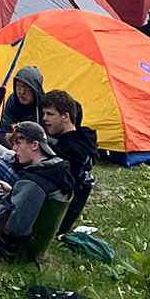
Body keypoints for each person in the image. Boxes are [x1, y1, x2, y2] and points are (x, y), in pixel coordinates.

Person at [0, 121, 75, 259]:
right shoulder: (57, 170)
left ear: (35, 145)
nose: (14, 149)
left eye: (18, 143)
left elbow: (13, 227)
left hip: (15, 249)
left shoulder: (34, 183)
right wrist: (12, 193)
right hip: (34, 244)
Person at [41, 90, 99, 231]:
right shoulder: (82, 141)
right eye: (44, 114)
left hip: (57, 219)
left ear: (65, 116)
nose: (44, 118)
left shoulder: (70, 151)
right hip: (64, 214)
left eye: (50, 114)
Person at [0, 65, 44, 145]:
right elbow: (1, 132)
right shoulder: (13, 101)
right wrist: (10, 139)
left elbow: (50, 140)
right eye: (18, 86)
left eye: (26, 88)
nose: (21, 92)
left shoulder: (45, 107)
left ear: (35, 89)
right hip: (15, 147)